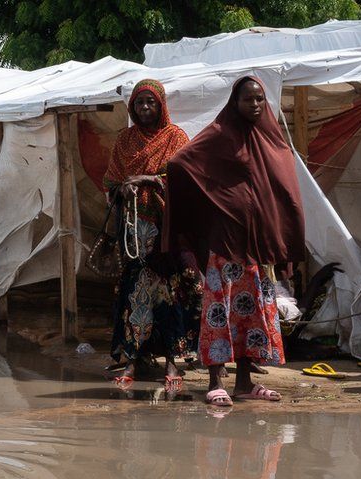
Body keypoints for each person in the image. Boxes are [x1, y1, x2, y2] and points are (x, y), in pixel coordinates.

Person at [165, 76, 306, 407]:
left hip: (255, 248)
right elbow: (179, 163)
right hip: (225, 243)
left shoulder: (270, 138)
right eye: (248, 100)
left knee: (252, 313)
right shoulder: (220, 133)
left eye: (259, 99)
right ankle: (215, 381)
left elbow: (284, 188)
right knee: (220, 310)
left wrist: (281, 239)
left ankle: (245, 382)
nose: (255, 105)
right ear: (235, 102)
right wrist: (220, 202)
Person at [103, 79, 202, 392]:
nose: (145, 108)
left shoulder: (176, 138)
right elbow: (110, 182)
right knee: (136, 295)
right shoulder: (125, 141)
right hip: (135, 234)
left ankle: (173, 359)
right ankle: (132, 357)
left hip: (167, 231)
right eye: (140, 103)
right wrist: (123, 188)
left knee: (170, 293)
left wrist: (147, 178)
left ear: (161, 105)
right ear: (133, 107)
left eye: (151, 103)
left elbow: (187, 176)